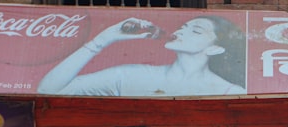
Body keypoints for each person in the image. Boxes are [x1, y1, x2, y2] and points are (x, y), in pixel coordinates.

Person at [37, 16, 246, 97]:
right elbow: (47, 90)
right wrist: (102, 39)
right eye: (183, 26)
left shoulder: (230, 92)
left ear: (215, 49)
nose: (181, 31)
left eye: (196, 31)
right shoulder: (130, 76)